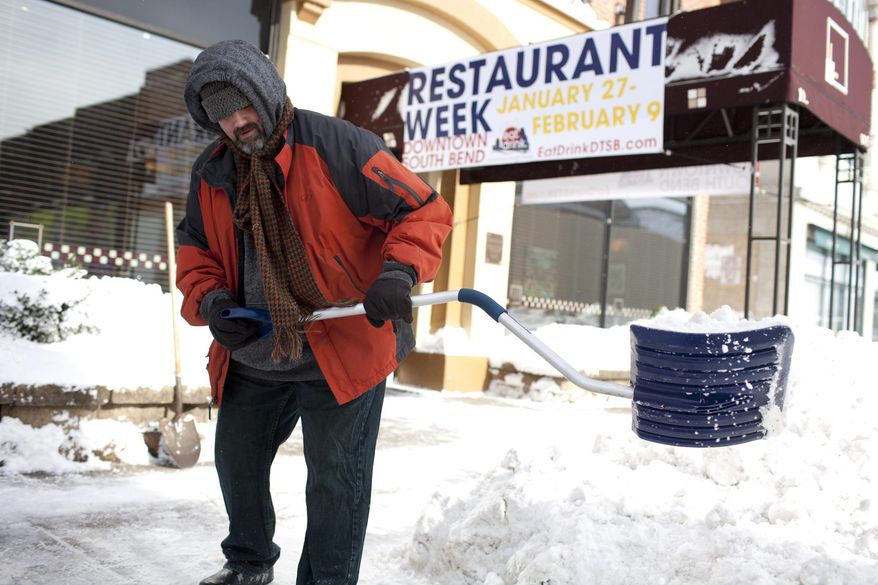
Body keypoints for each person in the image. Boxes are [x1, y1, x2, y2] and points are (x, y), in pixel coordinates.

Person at [176, 39, 452, 585]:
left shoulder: (340, 146)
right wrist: (212, 301)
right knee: (237, 461)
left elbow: (422, 210)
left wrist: (397, 273)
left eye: (243, 104)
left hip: (343, 343)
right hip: (257, 347)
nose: (237, 122)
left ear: (266, 92)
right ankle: (249, 564)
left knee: (335, 480)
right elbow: (195, 250)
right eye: (222, 115)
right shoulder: (212, 172)